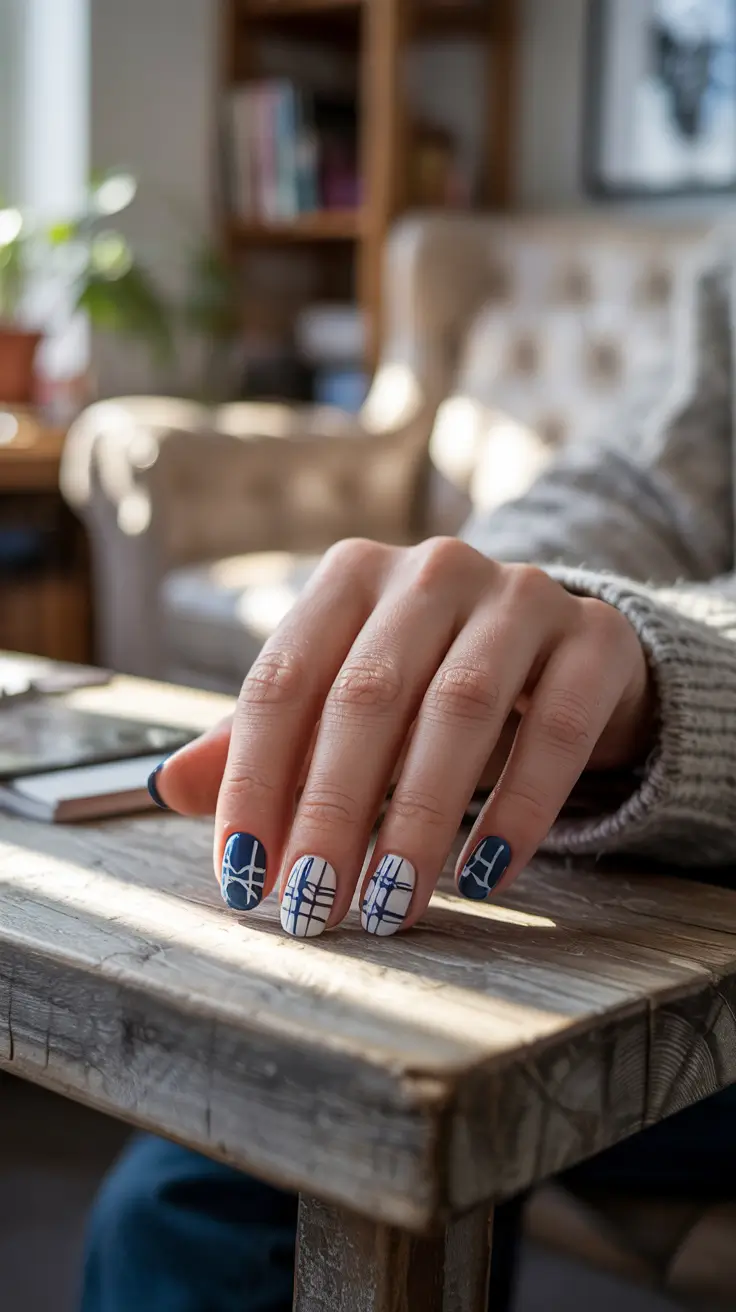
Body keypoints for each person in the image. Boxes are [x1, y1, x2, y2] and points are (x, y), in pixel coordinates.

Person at [81, 259, 736, 1311]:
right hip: (616, 873)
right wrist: (492, 626)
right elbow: (644, 487)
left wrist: (675, 675)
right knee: (186, 1199)